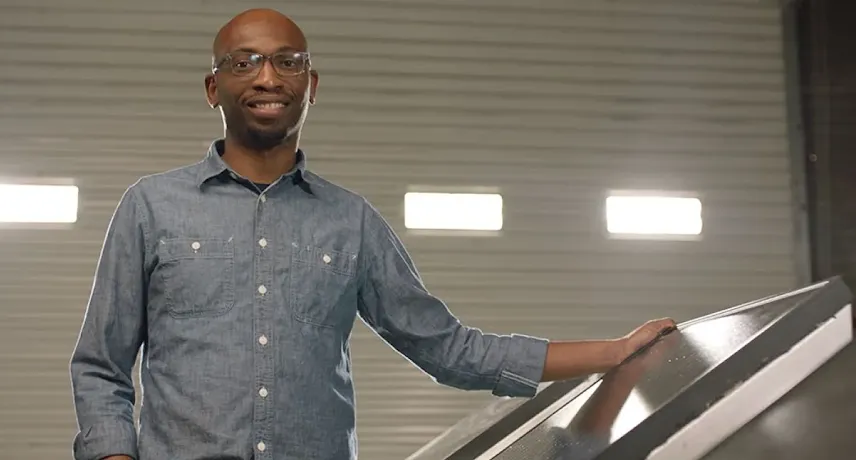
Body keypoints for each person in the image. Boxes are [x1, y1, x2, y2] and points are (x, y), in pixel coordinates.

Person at [69, 8, 676, 460]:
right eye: (244, 61)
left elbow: (448, 349)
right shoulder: (151, 207)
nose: (267, 77)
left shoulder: (351, 222)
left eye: (288, 61)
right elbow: (101, 367)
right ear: (213, 88)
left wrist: (614, 351)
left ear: (311, 85)